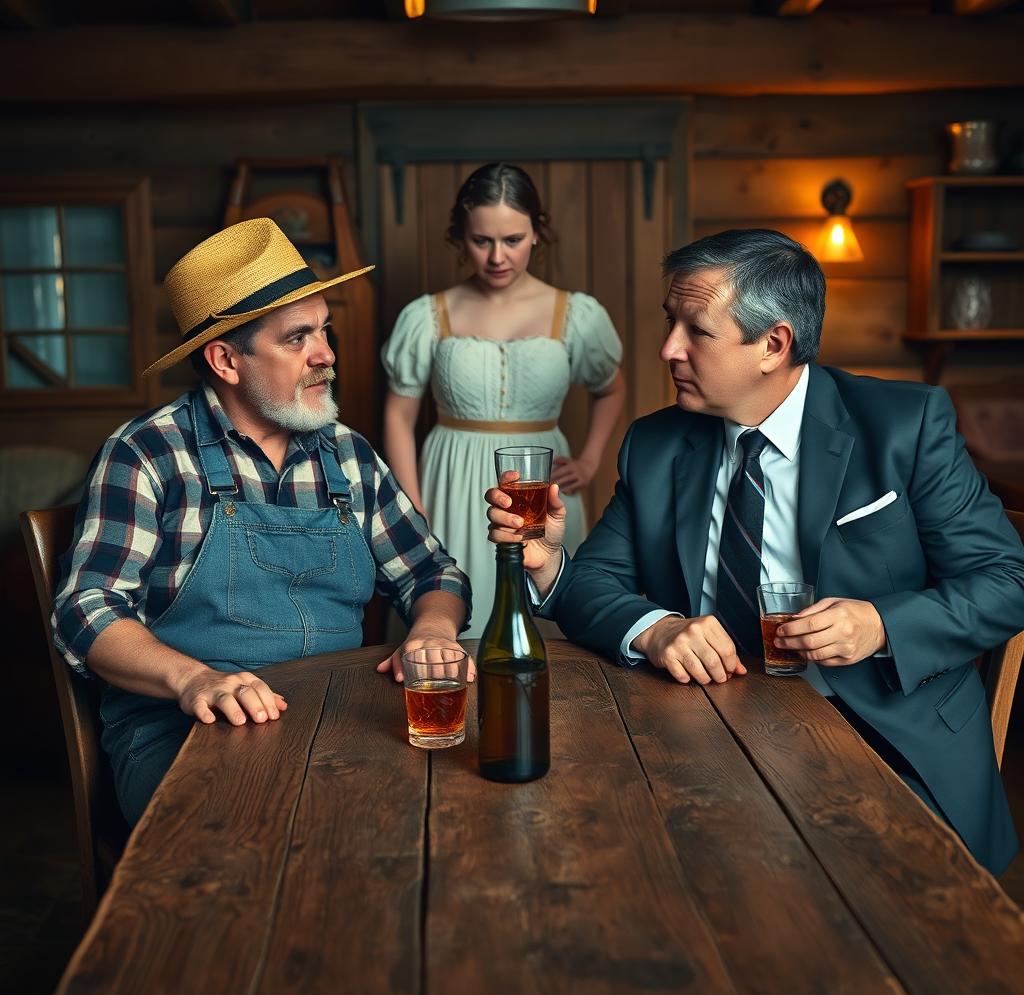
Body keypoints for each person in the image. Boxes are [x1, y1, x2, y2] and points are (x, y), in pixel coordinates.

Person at [486, 228, 1024, 876]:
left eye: (697, 331)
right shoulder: (656, 445)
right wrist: (651, 626)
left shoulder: (902, 424)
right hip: (699, 741)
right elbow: (593, 582)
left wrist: (881, 624)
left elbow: (1007, 577)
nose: (668, 349)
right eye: (670, 322)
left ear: (774, 343)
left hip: (886, 748)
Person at [53, 218, 471, 825]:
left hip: (336, 715)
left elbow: (431, 570)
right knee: (256, 829)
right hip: (185, 726)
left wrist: (432, 628)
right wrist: (192, 680)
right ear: (225, 359)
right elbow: (86, 607)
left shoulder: (347, 455)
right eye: (297, 338)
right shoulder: (148, 453)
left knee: (435, 816)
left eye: (324, 331)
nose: (326, 355)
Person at [382, 162, 624, 636]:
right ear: (460, 237)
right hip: (450, 476)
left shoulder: (575, 314)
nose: (497, 256)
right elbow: (398, 411)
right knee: (450, 612)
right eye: (482, 240)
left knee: (545, 612)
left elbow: (611, 388)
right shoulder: (428, 315)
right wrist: (412, 499)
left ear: (537, 233)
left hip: (538, 480)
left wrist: (592, 461)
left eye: (512, 239)